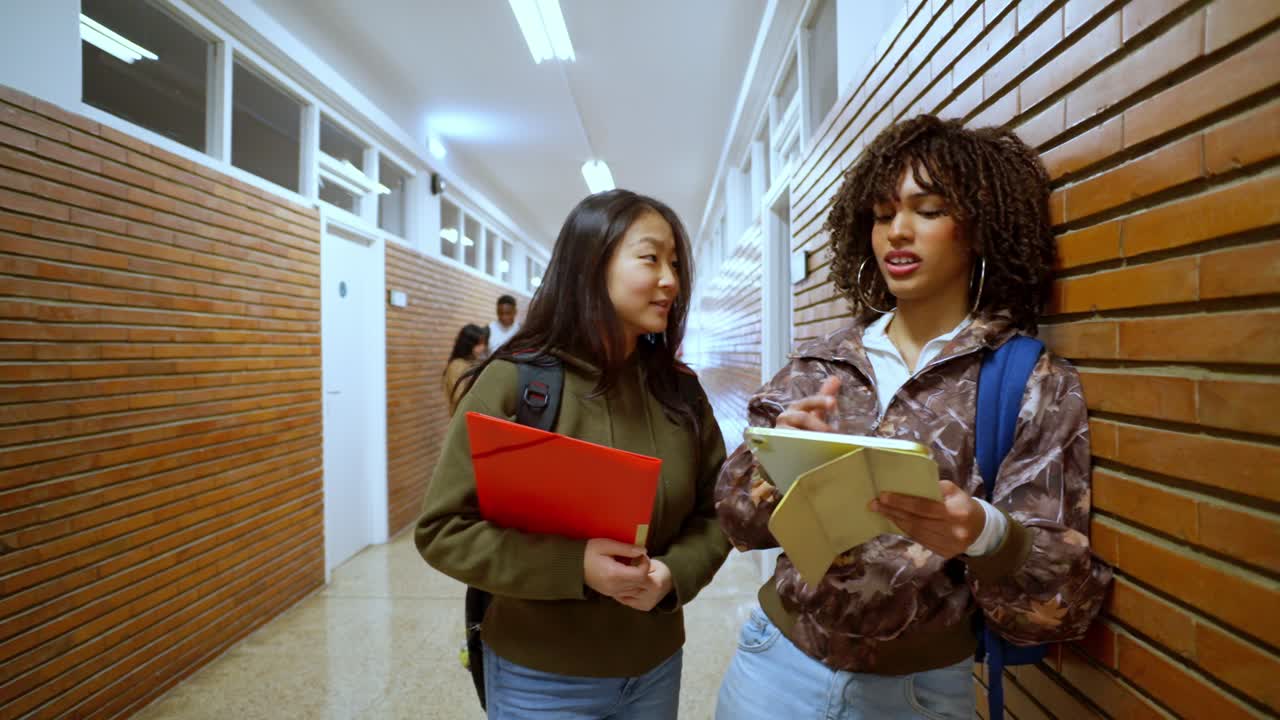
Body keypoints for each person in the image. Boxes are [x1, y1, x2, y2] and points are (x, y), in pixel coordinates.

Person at [714, 115, 1112, 719]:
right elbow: (735, 521)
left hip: (918, 696)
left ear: (976, 229)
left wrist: (984, 533)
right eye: (881, 213)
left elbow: (1061, 600)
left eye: (927, 211)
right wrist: (771, 464)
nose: (897, 232)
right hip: (774, 667)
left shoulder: (1029, 381)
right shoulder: (823, 361)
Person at [416, 190, 731, 719]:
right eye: (651, 258)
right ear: (590, 265)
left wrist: (674, 573)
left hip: (654, 666)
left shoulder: (680, 393)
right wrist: (575, 566)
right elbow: (443, 529)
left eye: (675, 263)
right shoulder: (516, 382)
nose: (671, 280)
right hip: (539, 679)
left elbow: (717, 510)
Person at [443, 324, 489, 416]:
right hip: (462, 419)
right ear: (468, 344)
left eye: (484, 344)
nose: (483, 348)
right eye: (479, 344)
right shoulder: (457, 366)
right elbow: (458, 397)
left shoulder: (471, 363)